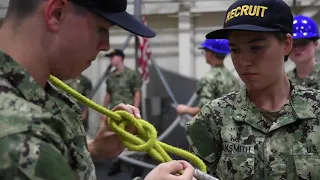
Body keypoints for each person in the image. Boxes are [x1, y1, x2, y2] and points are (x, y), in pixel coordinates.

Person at [0, 0, 195, 179]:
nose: (106, 45)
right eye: (101, 29)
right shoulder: (18, 132)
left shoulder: (37, 91)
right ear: (57, 13)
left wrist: (90, 150)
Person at [186, 0, 320, 179]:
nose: (243, 62)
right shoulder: (212, 119)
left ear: (287, 44)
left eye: (256, 48)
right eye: (235, 50)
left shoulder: (316, 111)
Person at [103, 49, 144, 177]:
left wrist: (136, 111)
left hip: (129, 112)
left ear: (120, 58)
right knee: (116, 137)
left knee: (132, 138)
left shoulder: (131, 74)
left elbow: (137, 92)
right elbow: (108, 94)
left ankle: (137, 165)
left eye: (112, 56)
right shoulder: (111, 77)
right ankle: (117, 163)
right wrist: (104, 111)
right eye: (109, 57)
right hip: (115, 113)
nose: (111, 59)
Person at [176, 39, 240, 116]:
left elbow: (205, 112)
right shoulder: (233, 78)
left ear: (212, 52)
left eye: (205, 51)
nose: (205, 54)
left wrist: (185, 109)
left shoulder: (208, 79)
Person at [287, 15, 320, 89]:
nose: (297, 48)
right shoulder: (285, 81)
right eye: (292, 44)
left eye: (303, 43)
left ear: (316, 44)